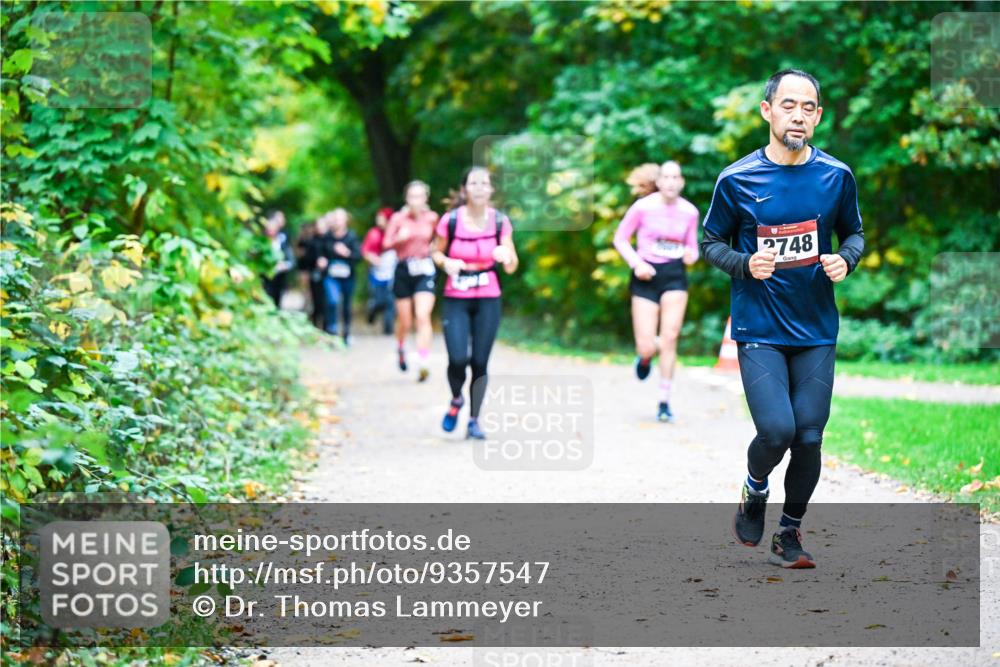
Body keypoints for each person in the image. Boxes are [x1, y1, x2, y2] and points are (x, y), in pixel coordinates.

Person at [700, 69, 864, 569]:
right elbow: (710, 243)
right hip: (759, 329)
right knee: (777, 431)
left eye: (808, 107)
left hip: (816, 330)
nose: (799, 114)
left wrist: (846, 259)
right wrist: (744, 263)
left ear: (817, 116)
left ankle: (788, 533)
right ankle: (755, 490)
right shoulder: (737, 178)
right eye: (788, 105)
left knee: (810, 436)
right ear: (768, 111)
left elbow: (854, 235)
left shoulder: (836, 176)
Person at [431, 167, 518, 440]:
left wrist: (506, 255)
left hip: (488, 296)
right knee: (458, 359)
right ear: (464, 189)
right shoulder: (451, 221)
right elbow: (436, 251)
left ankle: (474, 419)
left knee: (480, 362)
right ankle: (456, 399)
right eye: (473, 182)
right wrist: (447, 262)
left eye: (484, 183)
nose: (479, 187)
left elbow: (513, 265)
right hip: (457, 297)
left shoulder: (501, 222)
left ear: (491, 190)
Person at [613, 161, 700, 423]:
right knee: (647, 344)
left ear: (681, 182)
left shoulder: (690, 212)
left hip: (674, 276)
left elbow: (693, 248)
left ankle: (664, 401)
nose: (671, 182)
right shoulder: (643, 207)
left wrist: (690, 255)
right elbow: (620, 239)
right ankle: (645, 356)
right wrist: (637, 263)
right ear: (659, 181)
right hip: (646, 276)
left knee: (671, 336)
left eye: (676, 177)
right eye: (667, 177)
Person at [384, 181, 438, 381]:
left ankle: (424, 361)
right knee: (405, 321)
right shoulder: (398, 219)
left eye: (420, 196)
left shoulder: (432, 218)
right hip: (404, 270)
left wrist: (434, 250)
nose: (416, 200)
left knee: (423, 315)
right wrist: (399, 238)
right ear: (407, 198)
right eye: (412, 196)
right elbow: (386, 244)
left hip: (425, 269)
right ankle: (400, 346)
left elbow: (440, 241)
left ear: (426, 198)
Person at [317, 208, 362, 345]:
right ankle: (332, 331)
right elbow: (319, 253)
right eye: (335, 218)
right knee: (332, 301)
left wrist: (347, 253)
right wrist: (321, 260)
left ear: (345, 220)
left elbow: (358, 256)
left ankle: (346, 334)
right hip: (331, 276)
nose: (336, 221)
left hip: (348, 277)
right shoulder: (326, 237)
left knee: (347, 305)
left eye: (339, 218)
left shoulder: (352, 237)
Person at [362, 206, 397, 335]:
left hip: (392, 273)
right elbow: (365, 251)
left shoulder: (394, 233)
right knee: (378, 300)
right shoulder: (373, 233)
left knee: (390, 300)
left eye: (381, 217)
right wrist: (374, 259)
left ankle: (388, 328)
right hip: (376, 273)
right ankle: (372, 311)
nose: (378, 220)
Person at [262, 210, 294, 308]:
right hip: (264, 277)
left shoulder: (283, 242)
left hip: (279, 278)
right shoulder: (260, 242)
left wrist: (284, 265)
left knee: (277, 300)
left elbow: (291, 260)